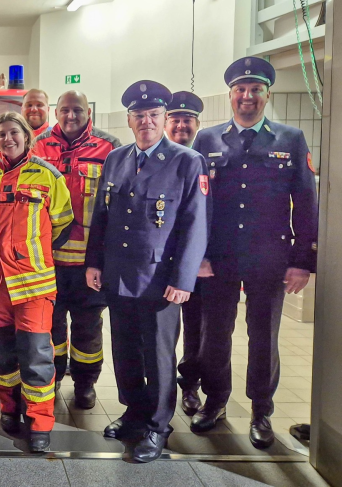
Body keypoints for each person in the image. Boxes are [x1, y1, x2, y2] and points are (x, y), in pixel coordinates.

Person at [190, 57, 318, 449]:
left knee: (264, 337)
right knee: (215, 335)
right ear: (231, 95)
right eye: (241, 90)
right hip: (219, 257)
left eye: (256, 89)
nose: (247, 96)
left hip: (269, 256)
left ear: (267, 94)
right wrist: (198, 255)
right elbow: (196, 203)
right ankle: (215, 401)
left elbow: (306, 202)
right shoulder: (207, 140)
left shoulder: (290, 139)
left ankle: (261, 410)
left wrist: (302, 261)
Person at [85, 80, 209, 463]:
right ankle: (134, 411)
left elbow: (195, 225)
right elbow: (101, 216)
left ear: (164, 117)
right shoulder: (116, 159)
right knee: (125, 350)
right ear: (129, 119)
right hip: (118, 274)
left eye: (154, 114)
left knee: (158, 355)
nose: (146, 121)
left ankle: (157, 425)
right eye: (139, 115)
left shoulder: (187, 161)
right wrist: (94, 263)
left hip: (160, 280)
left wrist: (183, 280)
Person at [0, 111, 73, 452]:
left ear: (27, 137)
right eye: (1, 134)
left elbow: (62, 223)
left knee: (36, 356)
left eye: (14, 132)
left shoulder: (48, 175)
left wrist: (31, 253)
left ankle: (40, 422)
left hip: (33, 284)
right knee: (2, 356)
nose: (8, 139)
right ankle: (8, 409)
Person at [30, 91, 121, 408]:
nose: (71, 116)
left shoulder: (109, 147)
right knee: (50, 328)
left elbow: (116, 208)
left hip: (89, 264)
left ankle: (85, 384)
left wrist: (107, 258)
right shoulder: (37, 145)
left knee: (88, 329)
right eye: (65, 110)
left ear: (88, 112)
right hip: (48, 262)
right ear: (55, 112)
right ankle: (53, 379)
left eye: (77, 110)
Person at [164, 90, 205, 416]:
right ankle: (159, 391)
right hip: (162, 263)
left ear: (197, 124)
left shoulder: (204, 157)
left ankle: (189, 385)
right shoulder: (156, 158)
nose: (181, 125)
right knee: (163, 333)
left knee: (197, 328)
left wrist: (201, 259)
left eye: (187, 119)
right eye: (175, 119)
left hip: (199, 263)